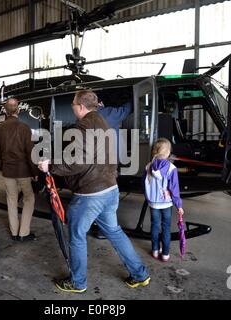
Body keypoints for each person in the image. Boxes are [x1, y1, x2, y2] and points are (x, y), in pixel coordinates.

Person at [39, 90, 150, 293]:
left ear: (81, 106)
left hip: (91, 194)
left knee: (77, 235)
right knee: (115, 232)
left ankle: (78, 282)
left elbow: (79, 160)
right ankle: (140, 274)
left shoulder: (83, 126)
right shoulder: (103, 121)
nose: (72, 106)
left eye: (73, 103)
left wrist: (51, 166)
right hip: (110, 188)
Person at [0, 98, 39, 242]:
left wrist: (3, 165)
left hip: (8, 172)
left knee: (11, 201)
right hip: (23, 171)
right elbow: (30, 152)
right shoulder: (24, 127)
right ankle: (23, 233)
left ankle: (14, 232)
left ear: (5, 111)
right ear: (18, 110)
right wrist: (34, 172)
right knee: (29, 199)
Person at [95, 100, 133, 239]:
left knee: (98, 194)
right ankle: (104, 230)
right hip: (107, 164)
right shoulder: (107, 113)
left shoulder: (86, 117)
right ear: (99, 102)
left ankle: (98, 225)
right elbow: (127, 108)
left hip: (94, 164)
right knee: (108, 198)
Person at [143, 138, 184, 262]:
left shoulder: (148, 167)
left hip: (153, 203)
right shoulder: (172, 168)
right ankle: (165, 254)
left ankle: (155, 251)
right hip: (166, 204)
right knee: (166, 227)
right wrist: (179, 205)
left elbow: (144, 186)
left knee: (155, 226)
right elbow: (175, 190)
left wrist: (148, 198)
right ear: (168, 153)